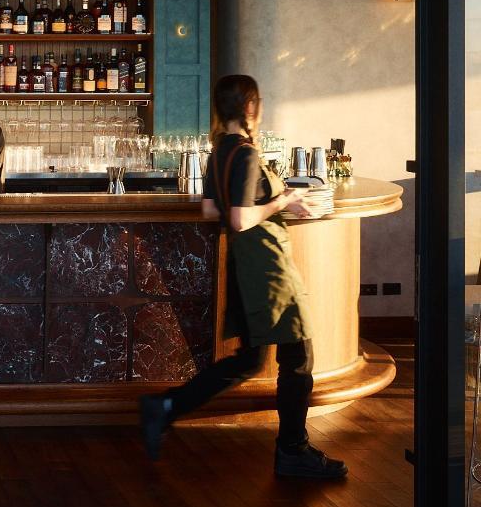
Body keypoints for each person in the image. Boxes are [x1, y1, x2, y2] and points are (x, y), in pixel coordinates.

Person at [139, 74, 347, 480]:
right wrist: (284, 199)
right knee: (298, 359)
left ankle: (166, 407)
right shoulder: (248, 154)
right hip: (266, 267)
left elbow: (210, 211)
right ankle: (293, 450)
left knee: (250, 359)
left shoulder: (218, 152)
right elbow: (237, 218)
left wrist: (266, 202)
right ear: (251, 107)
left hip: (243, 267)